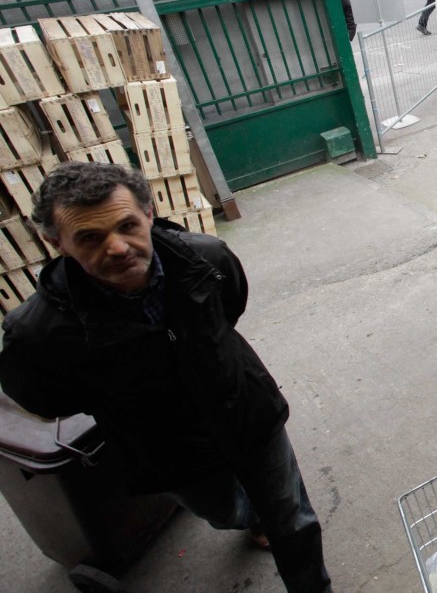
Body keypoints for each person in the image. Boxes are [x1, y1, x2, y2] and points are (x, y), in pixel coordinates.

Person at [0, 162, 331, 592]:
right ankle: (252, 518)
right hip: (165, 449)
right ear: (56, 242)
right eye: (90, 237)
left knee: (292, 517)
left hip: (245, 411)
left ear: (149, 214)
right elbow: (46, 398)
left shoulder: (204, 257)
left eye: (127, 225)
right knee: (225, 510)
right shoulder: (38, 332)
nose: (117, 247)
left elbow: (229, 307)